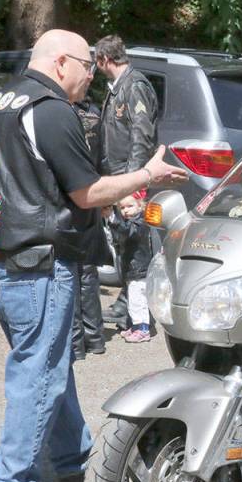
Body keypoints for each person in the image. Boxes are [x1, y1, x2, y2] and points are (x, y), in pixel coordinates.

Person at [0, 29, 189, 482]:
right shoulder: (51, 109)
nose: (90, 74)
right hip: (39, 262)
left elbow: (36, 178)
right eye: (85, 64)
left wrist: (109, 194)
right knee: (38, 371)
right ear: (61, 63)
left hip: (3, 259)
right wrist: (147, 176)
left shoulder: (0, 101)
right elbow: (86, 192)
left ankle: (70, 458)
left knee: (50, 363)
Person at [93, 34, 160, 329]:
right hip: (118, 174)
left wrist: (133, 183)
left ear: (105, 60)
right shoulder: (117, 88)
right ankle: (126, 304)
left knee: (134, 243)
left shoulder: (134, 86)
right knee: (123, 242)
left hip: (129, 176)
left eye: (97, 62)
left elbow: (141, 136)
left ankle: (137, 314)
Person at [72, 98, 108, 359]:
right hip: (93, 190)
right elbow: (103, 156)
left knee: (69, 272)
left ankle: (76, 343)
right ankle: (94, 337)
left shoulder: (59, 112)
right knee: (87, 270)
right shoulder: (94, 112)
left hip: (71, 194)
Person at [105, 192, 154, 342]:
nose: (125, 210)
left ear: (140, 205)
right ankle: (136, 326)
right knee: (134, 300)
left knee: (138, 301)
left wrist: (112, 217)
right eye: (122, 207)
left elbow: (126, 232)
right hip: (133, 270)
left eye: (130, 206)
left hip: (139, 271)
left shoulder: (139, 222)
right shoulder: (131, 221)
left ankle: (143, 330)